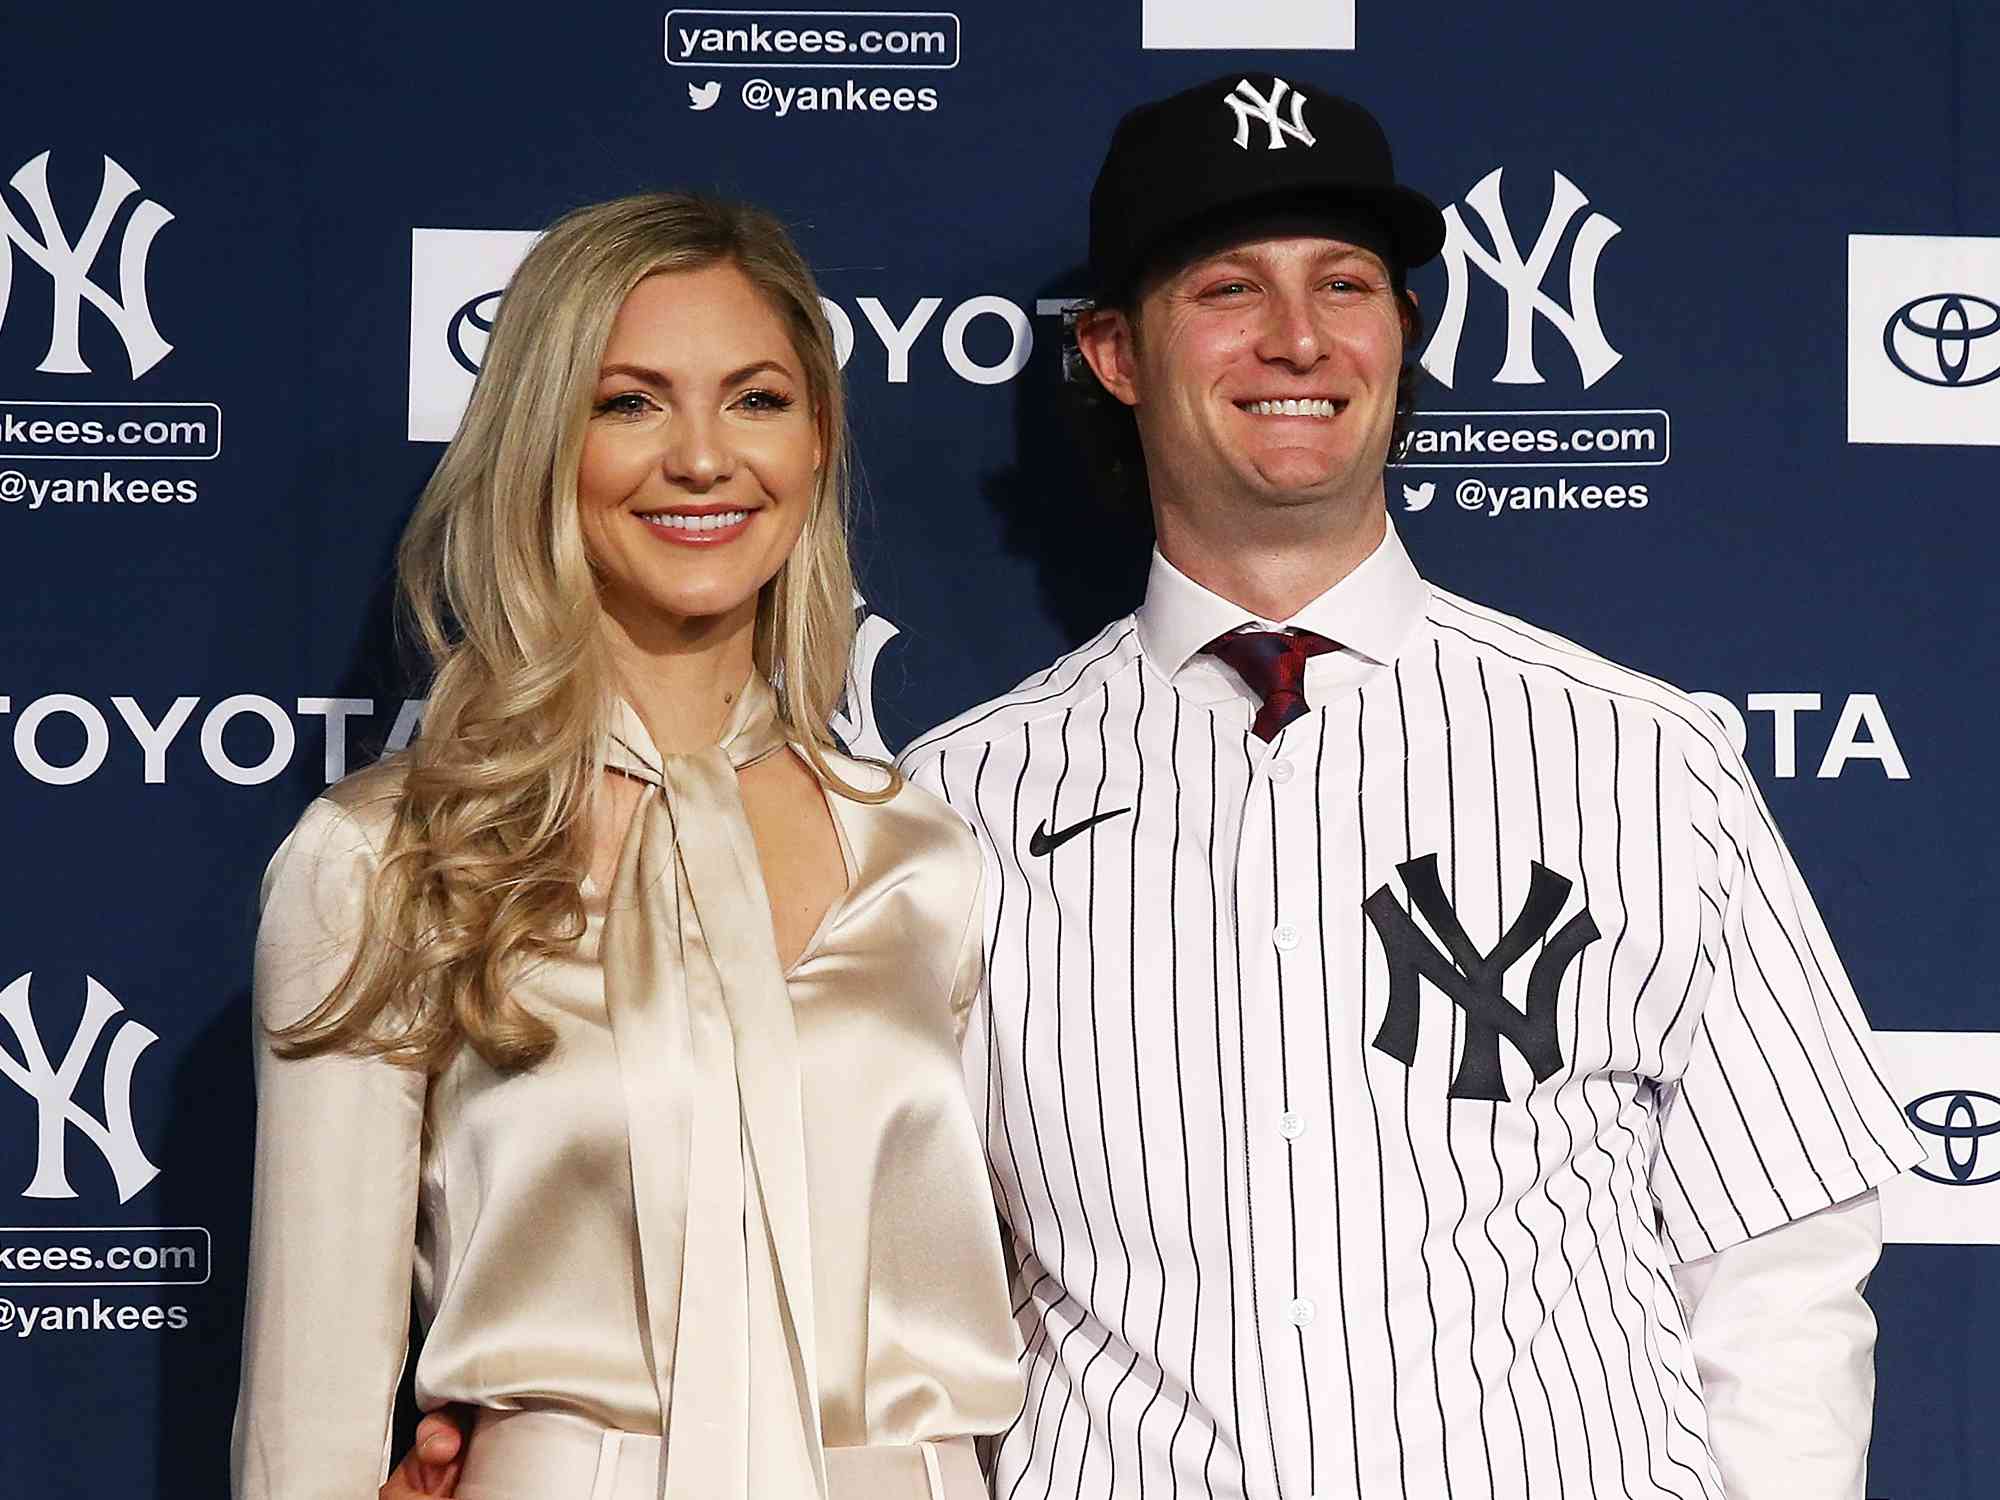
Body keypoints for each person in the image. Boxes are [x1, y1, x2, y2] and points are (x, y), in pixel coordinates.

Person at [384, 75, 1924, 1500]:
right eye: (1227, 291)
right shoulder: (951, 806)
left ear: (1401, 334)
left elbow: (1782, 1271)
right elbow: (815, 1216)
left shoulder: (1643, 760)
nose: (1299, 341)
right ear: (1116, 354)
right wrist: (528, 1409)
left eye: (1345, 285)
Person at [231, 191, 1022, 1500]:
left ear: (819, 440)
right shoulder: (382, 858)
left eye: (757, 399)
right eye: (630, 402)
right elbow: (307, 1417)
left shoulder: (930, 855)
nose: (704, 459)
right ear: (545, 444)